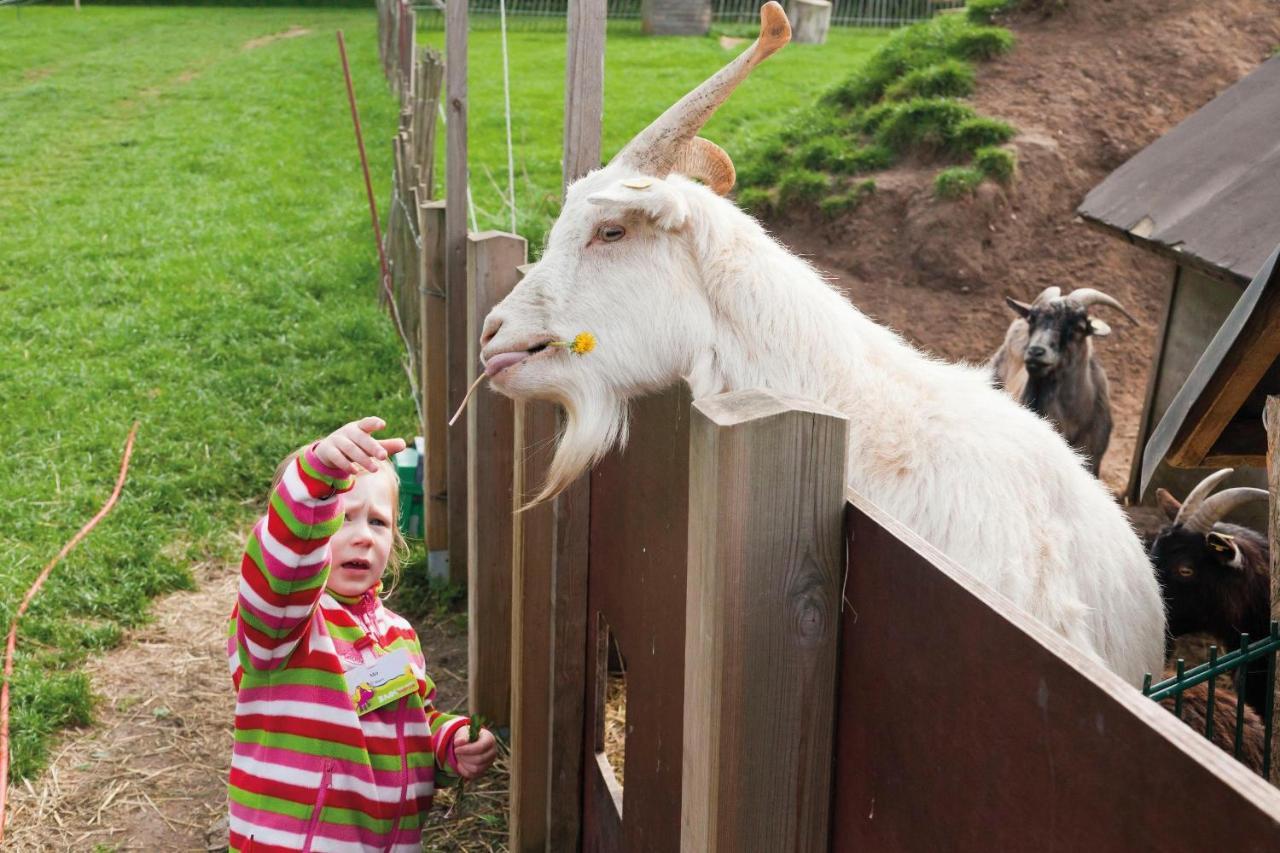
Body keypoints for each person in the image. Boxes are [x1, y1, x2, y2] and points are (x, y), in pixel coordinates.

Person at [225, 416, 497, 851]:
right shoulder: (283, 623)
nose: (363, 537)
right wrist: (317, 478)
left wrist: (449, 744)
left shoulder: (398, 633)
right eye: (341, 519)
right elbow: (284, 560)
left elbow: (412, 722)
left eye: (378, 522)